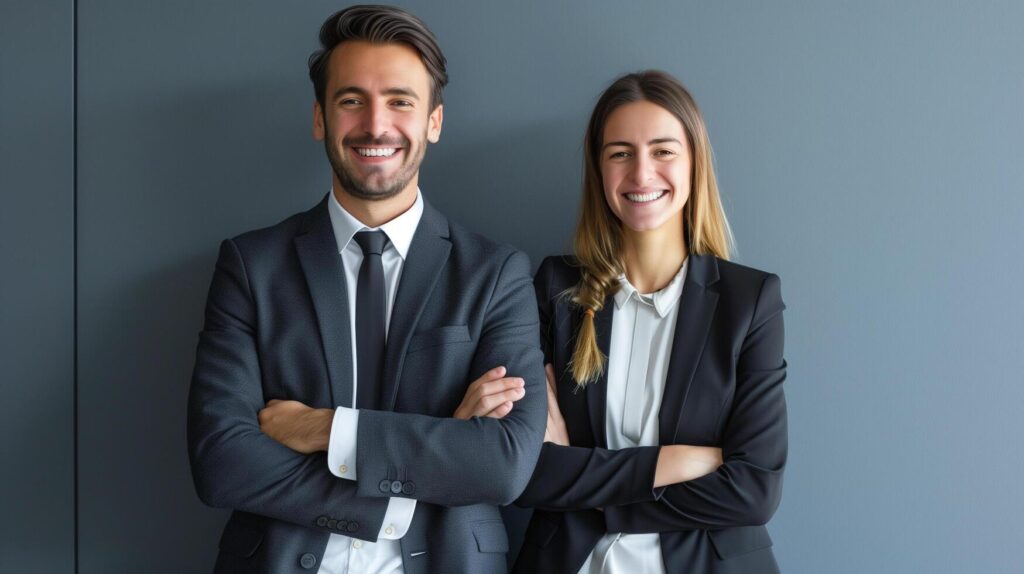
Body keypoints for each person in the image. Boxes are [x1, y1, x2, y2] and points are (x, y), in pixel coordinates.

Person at [186, 6, 546, 573]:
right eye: (352, 100)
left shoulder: (496, 274)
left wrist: (328, 429)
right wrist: (442, 445)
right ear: (320, 119)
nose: (376, 125)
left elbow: (502, 465)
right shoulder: (252, 266)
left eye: (401, 100)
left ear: (434, 121)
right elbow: (223, 462)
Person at [510, 71, 788, 573]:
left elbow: (753, 492)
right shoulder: (555, 288)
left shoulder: (749, 301)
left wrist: (588, 487)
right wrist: (678, 462)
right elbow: (524, 473)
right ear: (599, 169)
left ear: (694, 163)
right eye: (620, 153)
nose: (641, 174)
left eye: (663, 151)